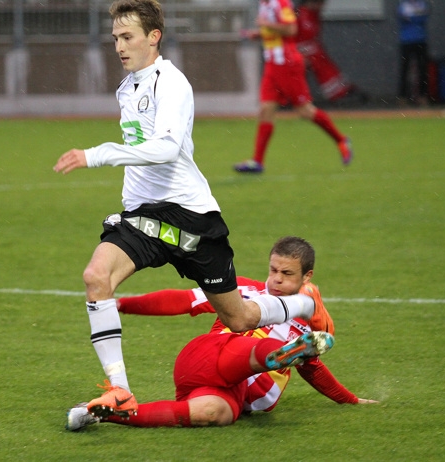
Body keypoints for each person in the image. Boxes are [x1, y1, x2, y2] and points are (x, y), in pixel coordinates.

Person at [54, 0, 329, 419]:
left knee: (238, 319)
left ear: (153, 37)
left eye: (127, 37)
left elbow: (165, 149)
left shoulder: (174, 83)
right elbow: (144, 151)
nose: (119, 47)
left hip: (191, 218)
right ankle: (121, 391)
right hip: (144, 218)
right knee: (96, 277)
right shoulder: (127, 89)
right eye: (115, 38)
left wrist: (97, 154)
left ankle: (304, 306)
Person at [66, 236, 378, 430]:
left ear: (307, 276)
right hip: (210, 357)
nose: (277, 279)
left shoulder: (304, 325)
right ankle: (274, 356)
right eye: (273, 270)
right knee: (253, 348)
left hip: (232, 394)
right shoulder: (244, 289)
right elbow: (184, 301)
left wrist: (349, 400)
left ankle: (104, 414)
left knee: (213, 414)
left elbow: (314, 369)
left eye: (287, 274)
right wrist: (118, 305)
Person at [234, 0, 353, 174]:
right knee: (266, 110)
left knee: (305, 111)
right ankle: (257, 162)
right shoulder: (264, 4)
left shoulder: (280, 3)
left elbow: (290, 29)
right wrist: (258, 34)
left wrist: (266, 24)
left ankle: (341, 140)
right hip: (272, 65)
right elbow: (276, 31)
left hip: (287, 64)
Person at [295, 0, 366, 103]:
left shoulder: (314, 14)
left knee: (322, 58)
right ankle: (337, 93)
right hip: (297, 51)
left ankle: (340, 89)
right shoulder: (299, 14)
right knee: (318, 59)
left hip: (313, 51)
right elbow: (291, 37)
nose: (323, 5)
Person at [397, 0, 430, 105]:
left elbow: (423, 17)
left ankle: (423, 96)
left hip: (421, 40)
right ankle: (403, 97)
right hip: (406, 41)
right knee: (404, 69)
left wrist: (412, 17)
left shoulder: (422, 3)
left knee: (423, 69)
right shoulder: (403, 4)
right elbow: (403, 18)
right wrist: (416, 17)